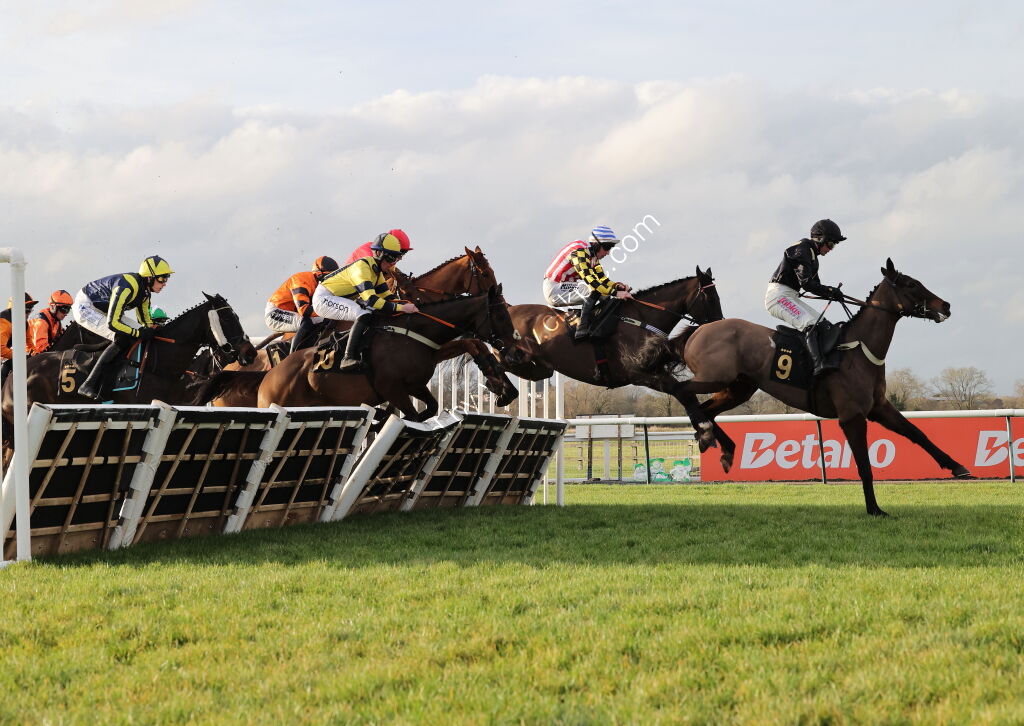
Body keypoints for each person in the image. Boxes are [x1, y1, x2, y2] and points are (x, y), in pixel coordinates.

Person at [313, 232, 419, 371]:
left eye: (396, 259)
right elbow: (371, 300)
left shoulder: (376, 272)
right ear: (379, 254)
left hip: (337, 297)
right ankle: (347, 357)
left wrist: (407, 304)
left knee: (374, 312)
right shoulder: (362, 267)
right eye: (391, 258)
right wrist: (401, 309)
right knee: (363, 313)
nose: (393, 263)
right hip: (324, 299)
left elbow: (387, 297)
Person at [74, 255, 173, 400]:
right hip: (86, 306)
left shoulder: (145, 293)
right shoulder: (127, 287)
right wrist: (138, 332)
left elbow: (145, 322)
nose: (164, 283)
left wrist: (155, 330)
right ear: (149, 277)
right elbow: (113, 324)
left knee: (141, 334)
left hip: (103, 309)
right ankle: (88, 384)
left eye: (166, 279)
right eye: (162, 279)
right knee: (122, 336)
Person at [765, 219, 847, 375]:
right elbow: (807, 284)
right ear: (819, 239)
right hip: (778, 297)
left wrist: (832, 293)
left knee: (823, 324)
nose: (831, 249)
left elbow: (815, 287)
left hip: (790, 296)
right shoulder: (802, 249)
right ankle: (817, 365)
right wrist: (831, 290)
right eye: (830, 244)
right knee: (811, 324)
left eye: (834, 246)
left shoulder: (812, 257)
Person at [542, 225, 633, 340]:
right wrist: (616, 293)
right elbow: (592, 281)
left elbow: (602, 280)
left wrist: (616, 286)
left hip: (565, 286)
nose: (608, 253)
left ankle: (597, 323)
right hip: (554, 288)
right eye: (607, 247)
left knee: (603, 291)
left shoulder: (592, 255)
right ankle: (582, 328)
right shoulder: (579, 251)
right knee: (594, 289)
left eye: (611, 248)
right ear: (596, 245)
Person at [265, 256, 340, 354]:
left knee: (321, 321)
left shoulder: (319, 285)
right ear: (318, 274)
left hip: (292, 313)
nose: (329, 282)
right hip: (274, 313)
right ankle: (293, 356)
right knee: (307, 321)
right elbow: (304, 310)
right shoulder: (302, 280)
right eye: (327, 277)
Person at [0, 292, 37, 383]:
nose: (29, 314)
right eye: (26, 311)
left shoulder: (25, 324)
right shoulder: (4, 323)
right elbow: (1, 349)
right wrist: (20, 356)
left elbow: (29, 345)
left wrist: (37, 356)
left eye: (30, 310)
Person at [27, 290, 73, 354]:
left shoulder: (57, 322)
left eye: (68, 310)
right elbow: (41, 349)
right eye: (64, 309)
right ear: (53, 307)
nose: (66, 313)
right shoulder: (41, 322)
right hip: (25, 357)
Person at [345, 228, 412, 265]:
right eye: (399, 253)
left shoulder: (387, 258)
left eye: (403, 254)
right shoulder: (369, 251)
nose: (400, 258)